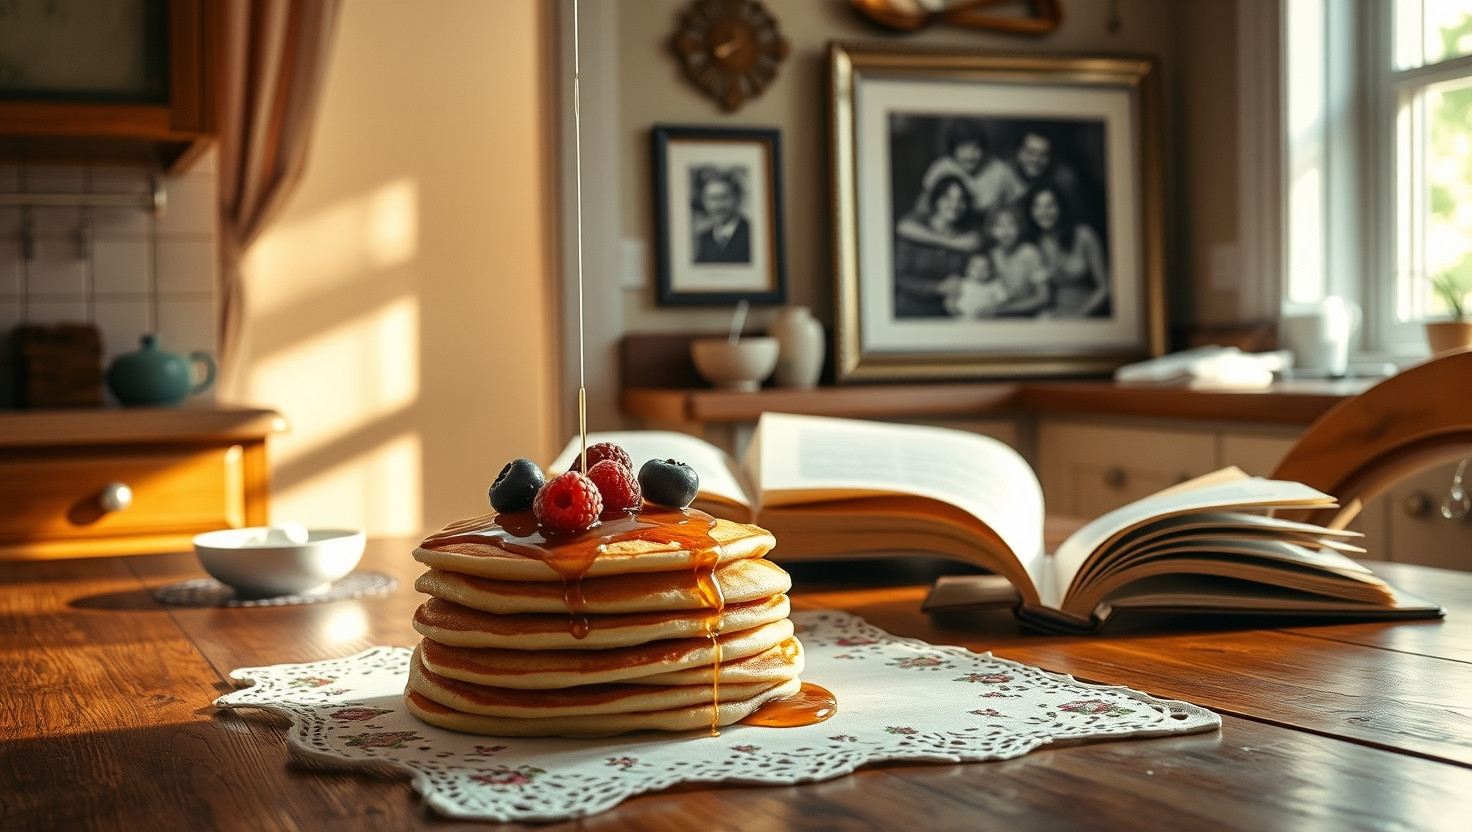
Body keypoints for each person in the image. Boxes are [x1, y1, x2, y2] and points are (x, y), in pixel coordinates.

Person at [893, 174, 982, 318]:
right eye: (947, 198)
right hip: (910, 311)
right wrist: (936, 288)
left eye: (961, 199)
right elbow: (899, 278)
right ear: (936, 200)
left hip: (950, 313)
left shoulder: (967, 235)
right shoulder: (914, 230)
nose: (955, 205)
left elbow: (972, 276)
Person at [1026, 182, 1110, 318]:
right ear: (1031, 211)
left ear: (1061, 207)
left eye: (1050, 205)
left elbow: (1105, 288)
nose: (1044, 212)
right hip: (1053, 314)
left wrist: (1077, 316)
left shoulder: (1084, 235)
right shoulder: (1034, 243)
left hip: (1087, 312)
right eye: (1037, 206)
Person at [916, 119, 1023, 222]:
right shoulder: (941, 168)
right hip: (947, 231)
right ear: (953, 149)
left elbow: (1018, 209)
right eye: (963, 148)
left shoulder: (1000, 170)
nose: (970, 155)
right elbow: (920, 210)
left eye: (976, 147)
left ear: (984, 148)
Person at [986, 202, 1052, 317]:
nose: (1005, 230)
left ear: (1020, 228)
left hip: (1029, 316)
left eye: (1011, 224)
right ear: (991, 230)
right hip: (1000, 318)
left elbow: (1044, 297)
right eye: (999, 225)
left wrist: (1003, 309)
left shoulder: (1030, 253)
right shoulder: (991, 255)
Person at [692, 171, 751, 263]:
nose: (718, 205)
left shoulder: (751, 232)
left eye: (724, 197)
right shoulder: (703, 239)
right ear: (703, 201)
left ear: (737, 198)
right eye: (712, 198)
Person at [942, 251, 1010, 319]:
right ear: (967, 269)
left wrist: (992, 309)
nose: (980, 271)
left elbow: (1004, 302)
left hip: (988, 320)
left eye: (985, 268)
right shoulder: (961, 283)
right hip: (962, 318)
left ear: (991, 270)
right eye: (975, 267)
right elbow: (950, 300)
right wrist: (953, 308)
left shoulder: (994, 285)